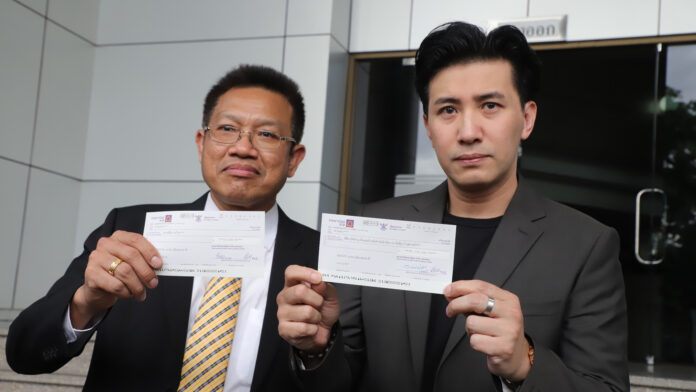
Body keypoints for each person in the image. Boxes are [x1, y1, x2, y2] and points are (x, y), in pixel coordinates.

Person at [277, 22, 629, 391]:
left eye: (490, 105)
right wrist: (317, 349)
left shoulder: (585, 245)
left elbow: (606, 387)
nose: (468, 131)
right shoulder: (375, 226)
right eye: (448, 110)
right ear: (428, 126)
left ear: (527, 119)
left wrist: (525, 362)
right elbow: (341, 378)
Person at [6, 65, 318, 392]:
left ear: (294, 159)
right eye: (227, 128)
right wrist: (85, 302)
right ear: (201, 143)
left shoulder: (321, 259)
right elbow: (24, 354)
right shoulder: (130, 231)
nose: (242, 147)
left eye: (267, 134)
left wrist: (315, 349)